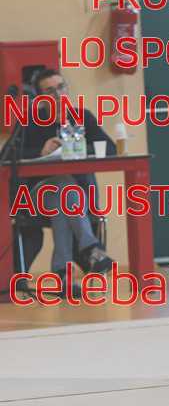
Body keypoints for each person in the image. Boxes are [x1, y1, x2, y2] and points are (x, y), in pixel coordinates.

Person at [18, 69, 116, 298]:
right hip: (38, 196)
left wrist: (78, 147)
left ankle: (61, 276)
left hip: (72, 201)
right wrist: (40, 151)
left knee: (65, 197)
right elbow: (8, 156)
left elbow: (109, 148)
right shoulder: (30, 123)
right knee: (64, 187)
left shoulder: (82, 117)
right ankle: (91, 248)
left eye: (61, 87)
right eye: (50, 91)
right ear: (39, 98)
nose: (58, 94)